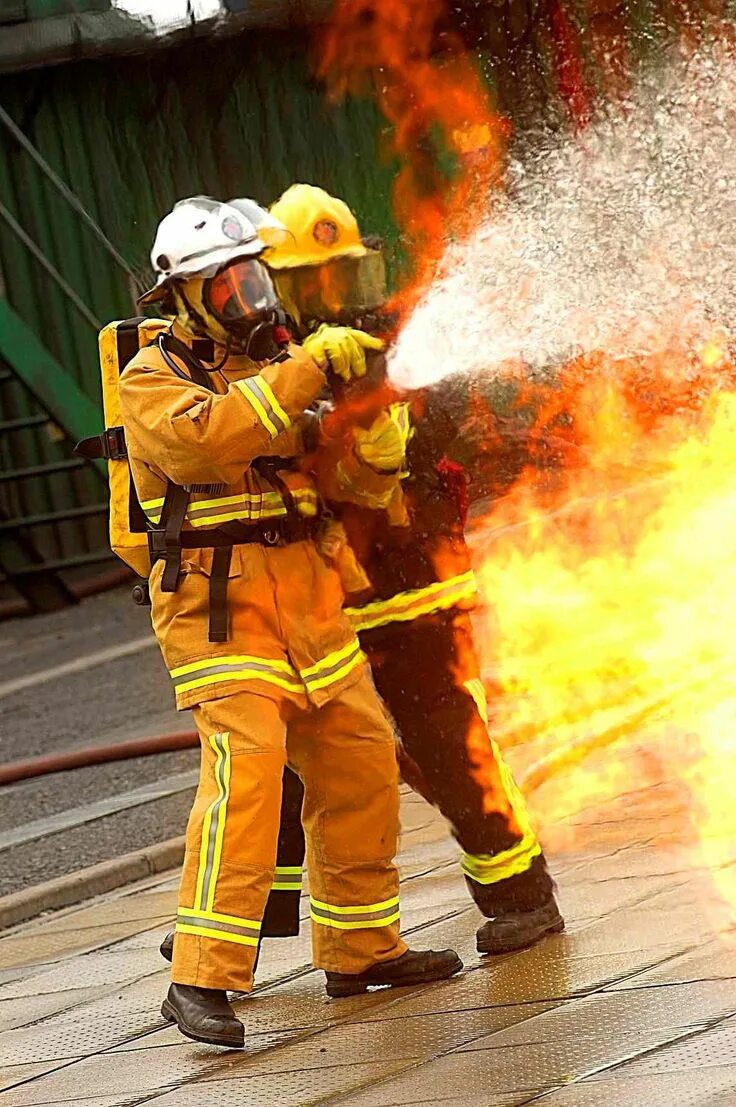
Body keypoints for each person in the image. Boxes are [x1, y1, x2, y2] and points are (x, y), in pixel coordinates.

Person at [121, 195, 462, 1049]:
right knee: (249, 774)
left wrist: (373, 444)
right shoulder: (153, 377)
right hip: (219, 606)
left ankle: (358, 947)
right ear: (185, 296)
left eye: (254, 279)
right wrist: (309, 371)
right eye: (228, 286)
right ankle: (199, 977)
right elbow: (210, 442)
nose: (251, 300)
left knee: (358, 759)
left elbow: (349, 487)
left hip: (310, 598)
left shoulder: (280, 366)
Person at [263, 184, 565, 956]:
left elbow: (428, 443)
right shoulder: (284, 365)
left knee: (446, 742)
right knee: (283, 745)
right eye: (309, 284)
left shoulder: (404, 346)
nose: (330, 300)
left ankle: (521, 893)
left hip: (415, 588)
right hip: (328, 595)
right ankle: (259, 907)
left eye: (341, 279)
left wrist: (373, 407)